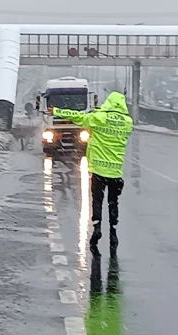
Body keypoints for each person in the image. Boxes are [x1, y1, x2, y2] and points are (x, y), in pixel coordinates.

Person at [53, 91, 133, 255]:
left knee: (97, 200)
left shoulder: (98, 118)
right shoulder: (128, 122)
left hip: (98, 170)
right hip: (116, 172)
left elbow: (78, 116)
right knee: (113, 202)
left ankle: (97, 228)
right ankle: (113, 231)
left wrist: (56, 111)